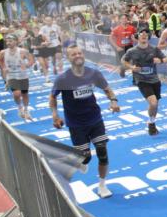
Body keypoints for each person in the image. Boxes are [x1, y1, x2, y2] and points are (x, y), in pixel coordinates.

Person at [50, 46, 121, 199]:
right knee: (85, 157)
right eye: (73, 54)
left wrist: (113, 101)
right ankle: (79, 159)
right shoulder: (63, 79)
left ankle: (102, 185)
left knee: (102, 152)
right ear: (68, 58)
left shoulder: (93, 73)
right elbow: (52, 97)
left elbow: (108, 89)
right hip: (76, 124)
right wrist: (55, 115)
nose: (77, 55)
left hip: (95, 119)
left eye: (79, 53)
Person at [121, 28, 167, 136]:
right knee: (153, 102)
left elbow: (166, 59)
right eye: (142, 34)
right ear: (138, 37)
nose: (144, 36)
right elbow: (123, 60)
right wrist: (132, 67)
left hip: (154, 80)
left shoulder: (154, 49)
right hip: (142, 80)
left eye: (146, 35)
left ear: (148, 38)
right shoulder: (132, 51)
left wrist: (160, 60)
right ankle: (151, 124)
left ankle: (151, 122)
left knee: (155, 105)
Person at [0, 35, 35, 120]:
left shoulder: (23, 51)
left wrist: (26, 65)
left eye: (10, 41)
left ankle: (26, 110)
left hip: (23, 75)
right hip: (11, 76)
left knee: (24, 94)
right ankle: (19, 107)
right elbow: (0, 60)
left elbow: (31, 60)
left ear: (16, 41)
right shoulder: (3, 52)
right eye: (7, 41)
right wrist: (4, 67)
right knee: (16, 94)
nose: (8, 43)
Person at [39, 15, 63, 81]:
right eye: (47, 20)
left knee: (59, 57)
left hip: (57, 44)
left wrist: (62, 42)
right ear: (45, 21)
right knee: (53, 60)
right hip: (49, 46)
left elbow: (60, 34)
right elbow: (40, 35)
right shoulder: (43, 28)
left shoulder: (56, 26)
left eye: (50, 20)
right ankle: (54, 67)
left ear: (52, 20)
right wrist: (45, 40)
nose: (48, 22)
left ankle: (61, 73)